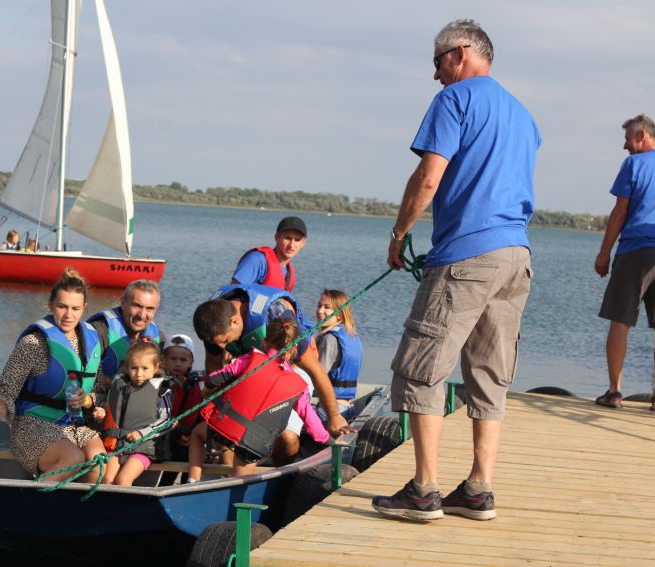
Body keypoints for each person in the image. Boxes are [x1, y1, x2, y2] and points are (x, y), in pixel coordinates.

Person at [371, 20, 540, 522]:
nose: (435, 74)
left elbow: (429, 178)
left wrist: (399, 235)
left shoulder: (455, 99)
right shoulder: (523, 114)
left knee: (421, 369)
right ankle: (478, 489)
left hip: (466, 255)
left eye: (437, 62)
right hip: (517, 256)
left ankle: (424, 490)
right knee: (490, 374)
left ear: (460, 54)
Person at [594, 115, 655, 412]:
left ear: (642, 136)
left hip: (635, 250)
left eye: (628, 139)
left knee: (620, 321)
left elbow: (620, 212)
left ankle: (614, 392)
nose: (625, 145)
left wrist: (604, 252)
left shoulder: (633, 165)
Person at [193, 283, 350, 465]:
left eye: (225, 341)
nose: (222, 347)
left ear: (235, 321)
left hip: (291, 368)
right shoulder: (213, 321)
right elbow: (214, 368)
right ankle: (232, 469)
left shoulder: (278, 316)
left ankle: (278, 469)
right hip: (250, 368)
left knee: (288, 438)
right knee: (227, 432)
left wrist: (333, 416)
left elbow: (316, 370)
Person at [0, 269, 106, 482]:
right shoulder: (34, 343)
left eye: (75, 308)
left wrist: (89, 401)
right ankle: (32, 500)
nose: (68, 315)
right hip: (33, 426)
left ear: (84, 308)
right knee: (73, 458)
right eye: (62, 306)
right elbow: (5, 388)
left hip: (74, 426)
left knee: (99, 464)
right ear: (50, 304)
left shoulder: (91, 340)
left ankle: (74, 504)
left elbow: (99, 391)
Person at [187, 318, 329, 481]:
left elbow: (215, 379)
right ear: (295, 347)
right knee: (240, 480)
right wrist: (326, 439)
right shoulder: (298, 385)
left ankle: (192, 481)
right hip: (253, 442)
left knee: (197, 435)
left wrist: (206, 389)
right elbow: (309, 418)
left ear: (265, 341)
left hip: (226, 428)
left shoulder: (249, 359)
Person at [100, 341, 172, 486]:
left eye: (145, 368)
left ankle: (128, 501)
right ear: (127, 367)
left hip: (145, 448)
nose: (139, 374)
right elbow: (109, 409)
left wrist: (142, 433)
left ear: (156, 367)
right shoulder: (120, 386)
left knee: (123, 480)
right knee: (107, 480)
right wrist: (101, 412)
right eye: (134, 368)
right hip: (118, 445)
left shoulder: (162, 390)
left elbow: (167, 420)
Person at [88, 280, 165, 386]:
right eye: (137, 306)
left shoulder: (159, 337)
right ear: (123, 303)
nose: (142, 315)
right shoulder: (100, 330)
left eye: (149, 309)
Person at [315, 289, 363, 420]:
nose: (320, 311)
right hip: (347, 407)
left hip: (330, 410)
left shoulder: (329, 339)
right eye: (319, 305)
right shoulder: (352, 335)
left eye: (327, 307)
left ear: (340, 314)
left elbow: (318, 377)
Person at [231, 216, 307, 291]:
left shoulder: (289, 273)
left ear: (303, 243)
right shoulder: (257, 260)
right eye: (287, 238)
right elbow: (232, 293)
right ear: (277, 237)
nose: (291, 245)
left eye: (297, 240)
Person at [159, 334, 204, 460]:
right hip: (159, 431)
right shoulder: (157, 381)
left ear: (191, 362)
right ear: (163, 359)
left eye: (183, 360)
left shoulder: (192, 385)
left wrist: (187, 432)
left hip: (181, 434)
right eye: (173, 359)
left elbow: (192, 416)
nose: (177, 364)